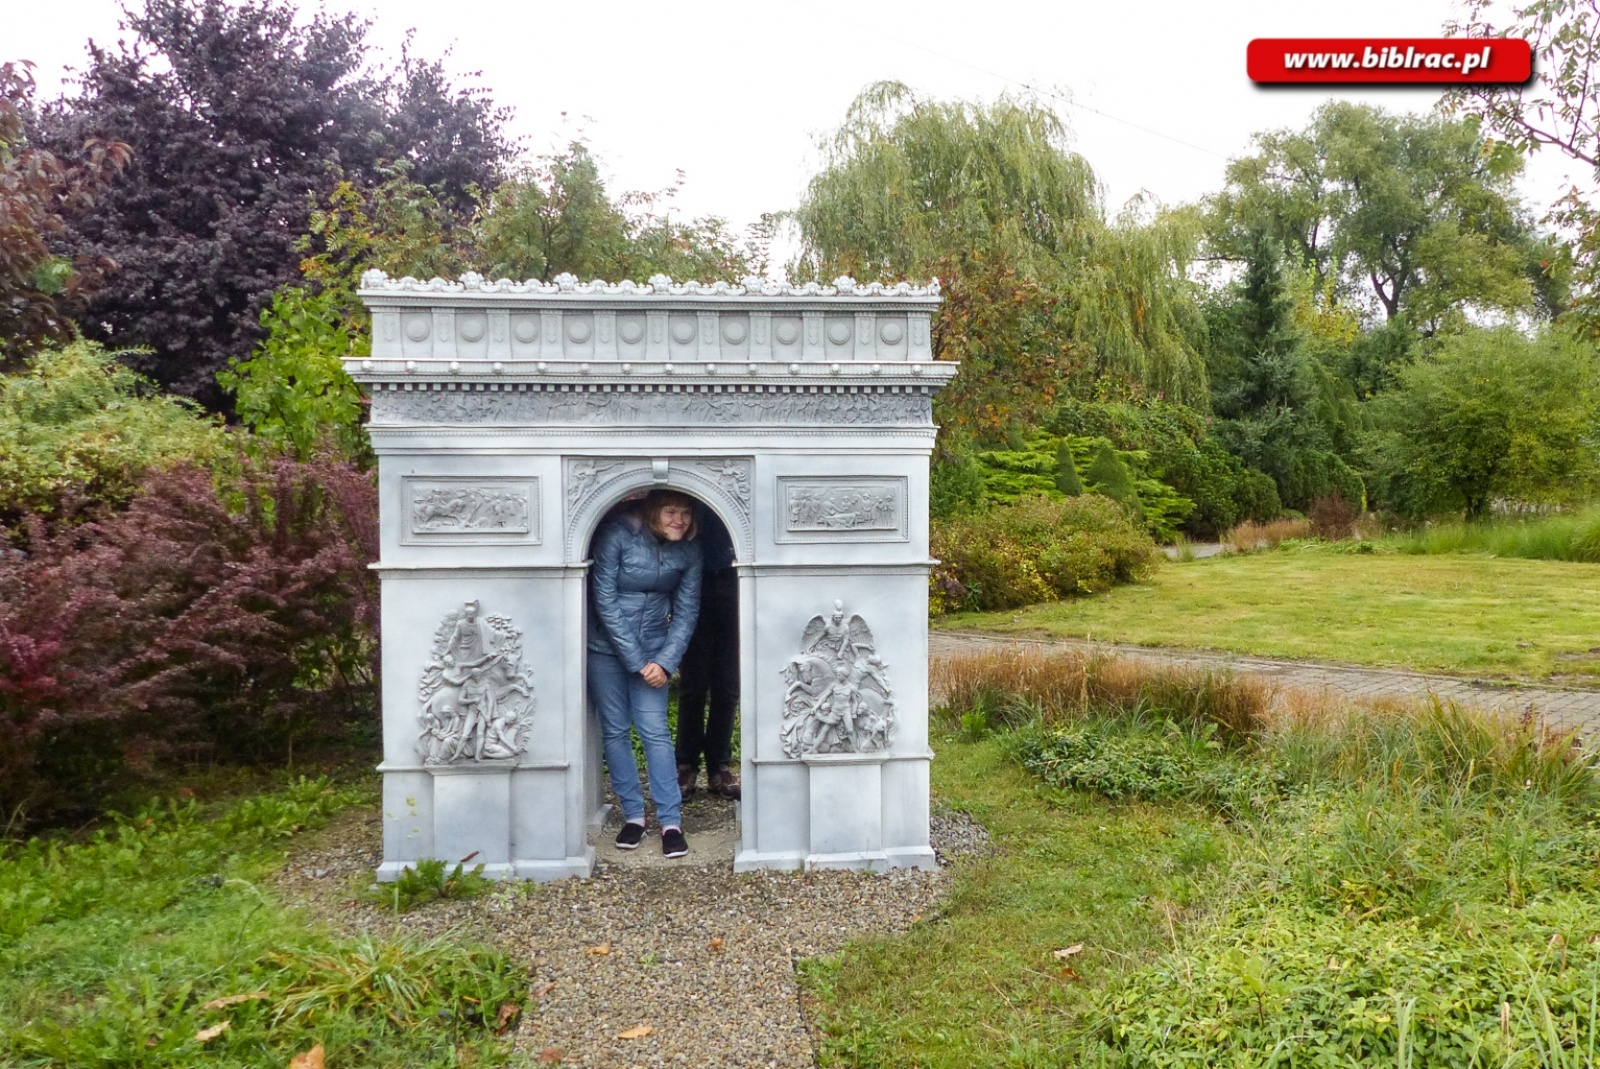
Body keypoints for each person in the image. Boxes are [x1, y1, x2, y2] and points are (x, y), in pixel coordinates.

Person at [587, 489, 704, 858]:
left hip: (655, 654)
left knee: (655, 733)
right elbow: (603, 599)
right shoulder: (618, 534)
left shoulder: (690, 550)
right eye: (671, 511)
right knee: (616, 731)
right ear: (654, 511)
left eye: (685, 513)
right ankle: (634, 817)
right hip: (605, 650)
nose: (679, 520)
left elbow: (687, 612)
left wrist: (665, 661)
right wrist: (638, 661)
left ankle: (671, 822)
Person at [676, 505, 741, 799]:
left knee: (727, 686)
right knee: (693, 684)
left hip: (734, 576)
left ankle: (719, 765)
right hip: (692, 578)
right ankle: (686, 764)